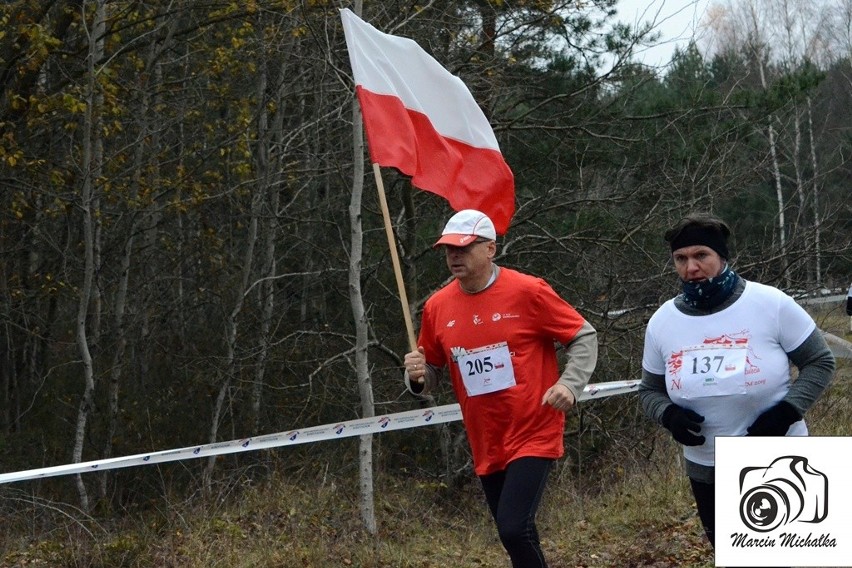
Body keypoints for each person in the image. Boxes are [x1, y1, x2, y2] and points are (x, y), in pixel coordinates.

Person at [403, 209, 598, 568]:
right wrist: (416, 376)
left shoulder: (528, 291)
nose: (454, 256)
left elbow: (583, 335)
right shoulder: (437, 306)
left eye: (463, 248)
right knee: (514, 532)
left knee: (513, 528)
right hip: (486, 435)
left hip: (533, 427)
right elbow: (429, 371)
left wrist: (570, 384)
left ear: (491, 248)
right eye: (448, 249)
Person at [639, 213, 836, 548]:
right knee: (731, 556)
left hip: (776, 457)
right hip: (706, 465)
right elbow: (649, 390)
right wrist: (668, 416)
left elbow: (820, 361)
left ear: (721, 257)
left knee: (774, 557)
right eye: (681, 259)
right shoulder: (662, 321)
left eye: (701, 255)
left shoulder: (769, 303)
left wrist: (787, 412)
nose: (691, 268)